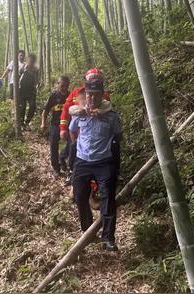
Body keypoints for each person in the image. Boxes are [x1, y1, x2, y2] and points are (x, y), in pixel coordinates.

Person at [69, 79, 123, 251]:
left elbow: (118, 135)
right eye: (88, 94)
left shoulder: (111, 116)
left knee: (107, 198)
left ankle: (108, 238)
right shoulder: (79, 114)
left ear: (102, 95)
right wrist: (78, 146)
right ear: (85, 95)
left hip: (104, 162)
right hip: (82, 161)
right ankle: (88, 232)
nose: (91, 98)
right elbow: (72, 130)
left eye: (95, 94)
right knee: (79, 196)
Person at [41, 75, 71, 177]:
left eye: (66, 86)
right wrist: (43, 123)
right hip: (55, 124)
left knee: (71, 145)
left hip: (68, 125)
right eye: (62, 85)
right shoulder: (53, 96)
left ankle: (62, 158)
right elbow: (45, 110)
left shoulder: (71, 96)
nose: (64, 88)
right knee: (53, 145)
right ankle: (56, 168)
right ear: (58, 84)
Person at [19, 54, 39, 128]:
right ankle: (21, 123)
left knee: (32, 106)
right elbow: (18, 78)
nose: (30, 63)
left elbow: (37, 80)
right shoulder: (23, 68)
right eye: (29, 61)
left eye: (32, 61)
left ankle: (27, 121)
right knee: (22, 107)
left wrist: (37, 85)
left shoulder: (35, 69)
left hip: (31, 91)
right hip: (22, 91)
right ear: (27, 61)